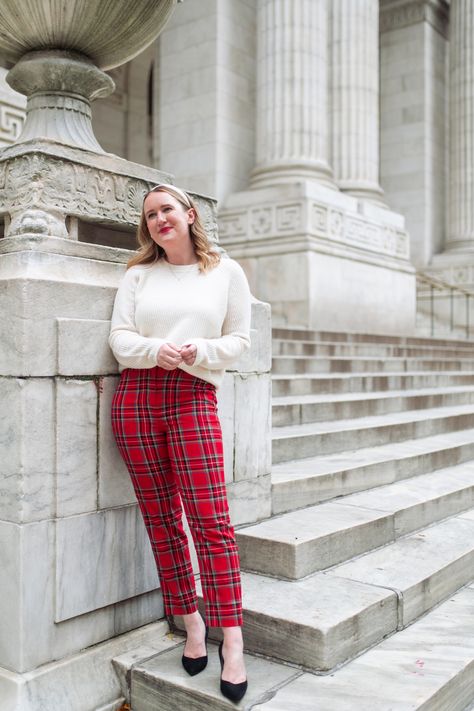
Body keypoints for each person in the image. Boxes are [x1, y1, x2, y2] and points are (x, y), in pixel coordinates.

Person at [109, 183, 250, 703]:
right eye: (150, 215)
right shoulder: (138, 274)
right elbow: (120, 337)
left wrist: (200, 349)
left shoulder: (225, 272)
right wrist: (153, 350)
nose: (159, 219)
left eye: (167, 209)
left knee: (211, 521)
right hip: (137, 399)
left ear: (189, 214)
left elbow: (240, 339)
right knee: (162, 518)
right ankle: (191, 622)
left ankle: (231, 640)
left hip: (194, 396)